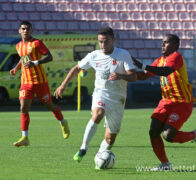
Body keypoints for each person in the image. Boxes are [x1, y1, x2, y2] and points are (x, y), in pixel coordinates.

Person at [54, 27, 137, 164]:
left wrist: (121, 76)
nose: (103, 45)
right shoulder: (94, 55)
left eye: (106, 41)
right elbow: (76, 69)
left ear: (113, 40)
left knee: (110, 138)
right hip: (100, 93)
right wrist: (63, 86)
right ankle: (83, 148)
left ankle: (100, 156)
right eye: (100, 42)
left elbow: (133, 76)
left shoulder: (123, 54)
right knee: (97, 114)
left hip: (118, 99)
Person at [132, 34, 196, 171]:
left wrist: (143, 65)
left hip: (181, 103)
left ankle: (195, 135)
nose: (163, 45)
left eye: (166, 43)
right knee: (153, 132)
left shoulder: (176, 57)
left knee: (168, 136)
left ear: (176, 46)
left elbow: (166, 72)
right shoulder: (159, 61)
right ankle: (165, 164)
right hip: (165, 102)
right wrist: (123, 75)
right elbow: (143, 75)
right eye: (162, 42)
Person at [10, 21, 70, 147]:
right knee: (23, 108)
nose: (25, 30)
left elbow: (49, 57)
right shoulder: (18, 46)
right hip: (26, 82)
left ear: (31, 30)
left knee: (49, 105)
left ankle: (63, 122)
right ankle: (25, 137)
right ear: (19, 31)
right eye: (23, 28)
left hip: (40, 81)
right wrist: (16, 68)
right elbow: (23, 57)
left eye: (28, 28)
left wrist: (35, 63)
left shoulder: (37, 43)